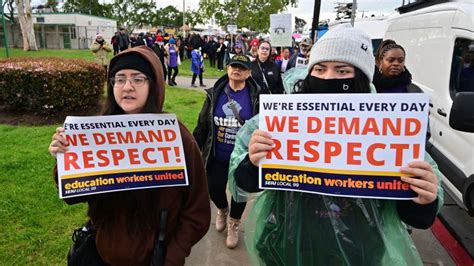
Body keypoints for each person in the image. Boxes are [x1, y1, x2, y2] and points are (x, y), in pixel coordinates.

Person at [228, 26, 443, 265]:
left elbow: (416, 218)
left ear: (360, 78)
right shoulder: (279, 122)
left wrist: (424, 198)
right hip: (282, 248)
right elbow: (241, 187)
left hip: (359, 253)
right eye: (320, 69)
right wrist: (253, 161)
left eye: (342, 70)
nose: (328, 78)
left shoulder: (389, 129)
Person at [48, 46, 211, 265]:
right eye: (120, 79)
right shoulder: (94, 135)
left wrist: (173, 256)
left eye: (138, 79)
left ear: (153, 85)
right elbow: (72, 196)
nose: (127, 87)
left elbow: (197, 212)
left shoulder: (178, 138)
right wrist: (64, 159)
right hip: (101, 254)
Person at [193, 55, 262, 249]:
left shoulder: (257, 97)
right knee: (214, 189)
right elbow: (202, 124)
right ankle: (222, 210)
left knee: (239, 193)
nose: (236, 70)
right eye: (233, 66)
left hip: (241, 158)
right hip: (217, 156)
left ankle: (234, 222)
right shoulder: (215, 94)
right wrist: (194, 148)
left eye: (242, 67)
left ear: (249, 73)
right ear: (227, 69)